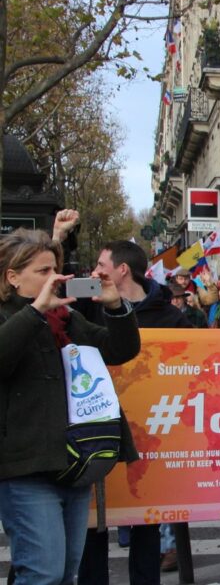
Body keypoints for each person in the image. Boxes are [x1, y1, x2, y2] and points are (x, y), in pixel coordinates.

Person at [0, 228, 140, 584]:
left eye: (55, 269)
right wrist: (35, 312)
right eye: (43, 271)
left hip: (73, 461)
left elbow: (118, 350)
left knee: (64, 573)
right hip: (27, 467)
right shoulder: (13, 315)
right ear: (12, 277)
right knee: (41, 573)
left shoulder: (65, 317)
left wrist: (113, 306)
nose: (55, 278)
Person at [76, 240, 191, 585]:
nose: (95, 272)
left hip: (151, 434)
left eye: (100, 264)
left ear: (122, 269)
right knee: (94, 523)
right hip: (99, 429)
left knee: (146, 521)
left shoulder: (170, 316)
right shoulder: (89, 308)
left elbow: (191, 365)